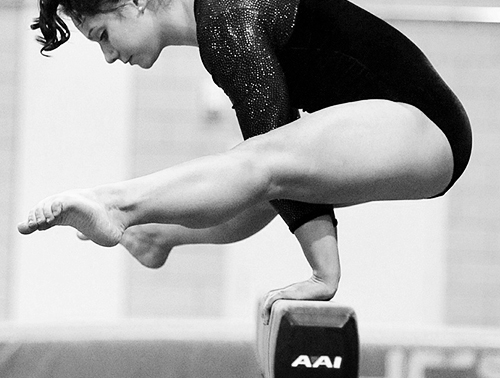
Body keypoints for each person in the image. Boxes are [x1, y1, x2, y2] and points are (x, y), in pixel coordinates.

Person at [20, 0, 472, 321]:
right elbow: (273, 162)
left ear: (135, 2)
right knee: (257, 177)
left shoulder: (225, 19)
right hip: (411, 129)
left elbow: (269, 156)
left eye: (102, 35)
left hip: (424, 124)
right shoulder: (217, 20)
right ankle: (156, 236)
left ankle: (116, 205)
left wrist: (323, 273)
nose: (109, 54)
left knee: (258, 166)